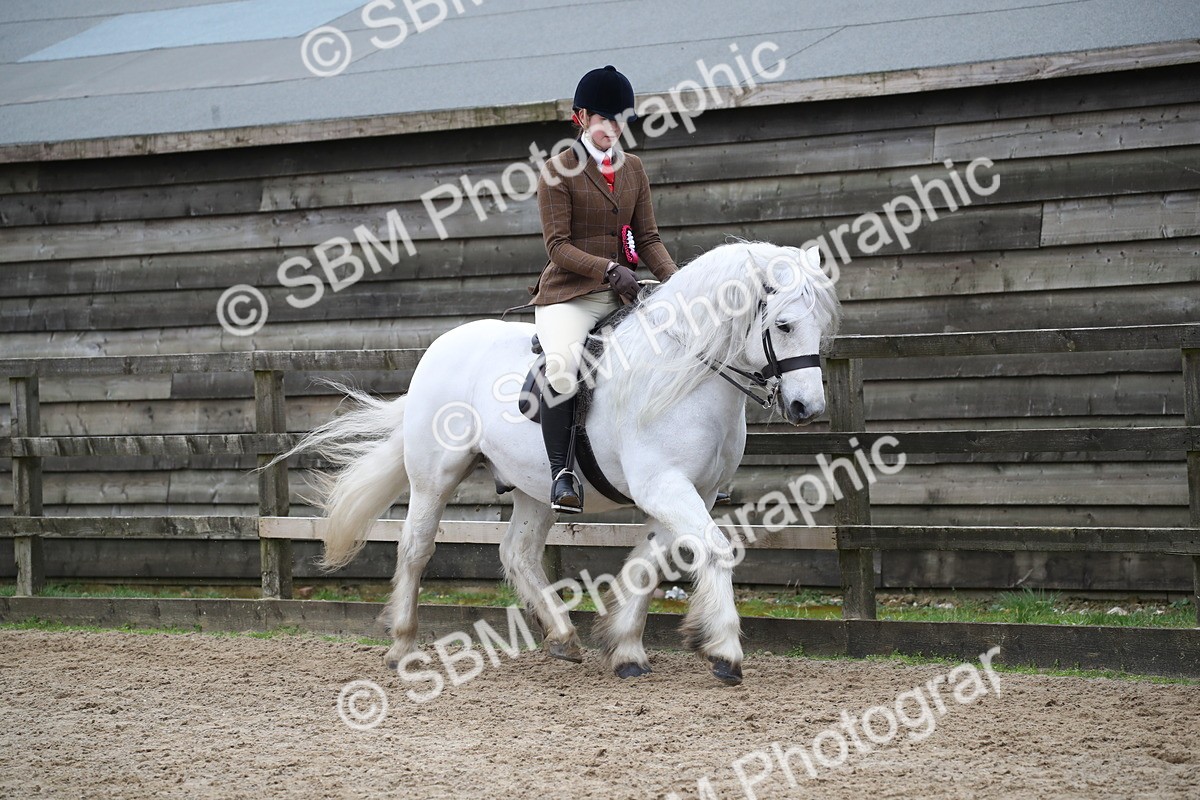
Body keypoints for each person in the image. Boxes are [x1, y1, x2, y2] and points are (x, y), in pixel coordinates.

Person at [529, 65, 678, 513]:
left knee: (674, 348)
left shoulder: (633, 169)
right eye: (604, 119)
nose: (612, 128)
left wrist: (679, 284)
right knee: (562, 367)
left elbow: (648, 239)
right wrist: (610, 268)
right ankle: (562, 475)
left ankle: (684, 463)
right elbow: (558, 247)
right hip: (570, 296)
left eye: (620, 120)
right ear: (581, 118)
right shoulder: (558, 171)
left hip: (623, 294)